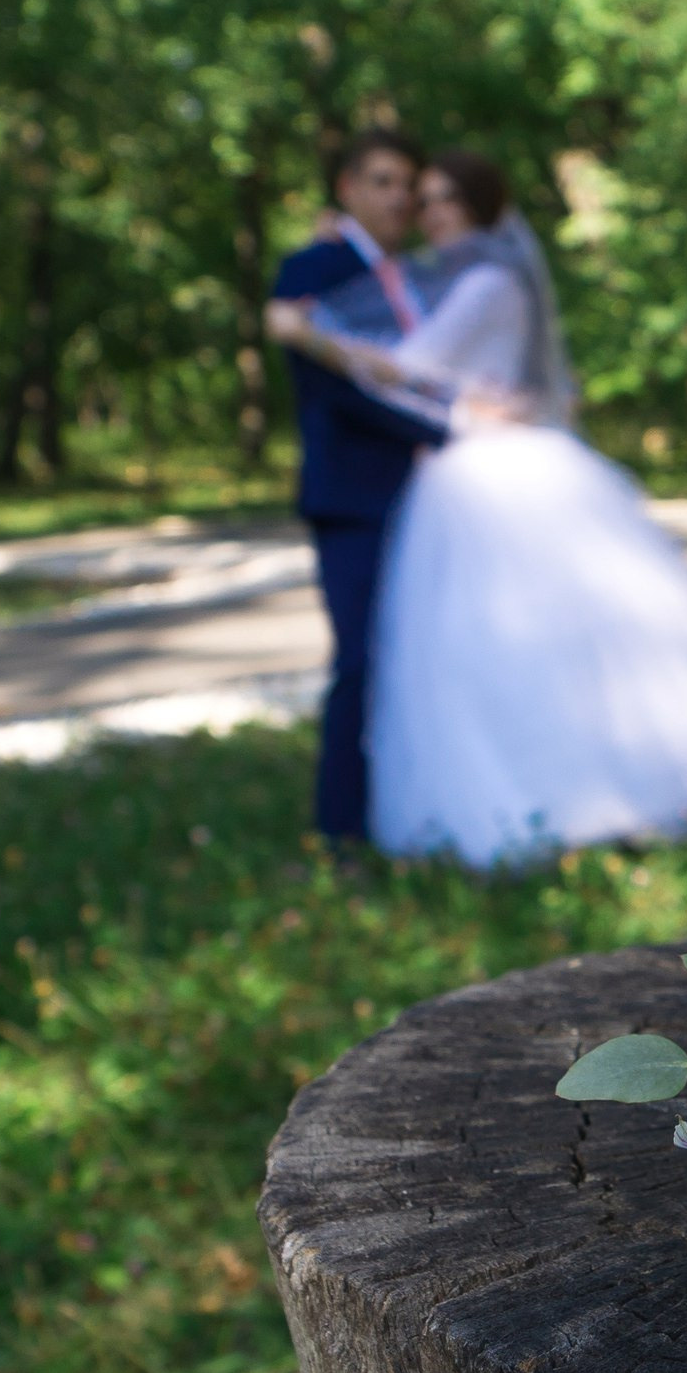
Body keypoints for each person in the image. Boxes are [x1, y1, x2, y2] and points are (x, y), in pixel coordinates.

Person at [357, 150, 687, 865]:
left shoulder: (482, 281)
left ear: (478, 208)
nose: (431, 214)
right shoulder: (482, 278)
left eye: (446, 200)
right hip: (497, 455)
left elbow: (408, 364)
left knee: (512, 638)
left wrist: (315, 335)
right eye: (426, 200)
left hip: (490, 469)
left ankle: (570, 797)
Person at [263, 129, 450, 843]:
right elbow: (336, 387)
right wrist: (448, 431)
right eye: (382, 181)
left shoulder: (412, 275)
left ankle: (410, 809)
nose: (398, 197)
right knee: (360, 661)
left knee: (419, 656)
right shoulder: (313, 266)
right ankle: (340, 829)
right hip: (355, 494)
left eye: (407, 185)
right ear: (347, 188)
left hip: (425, 495)